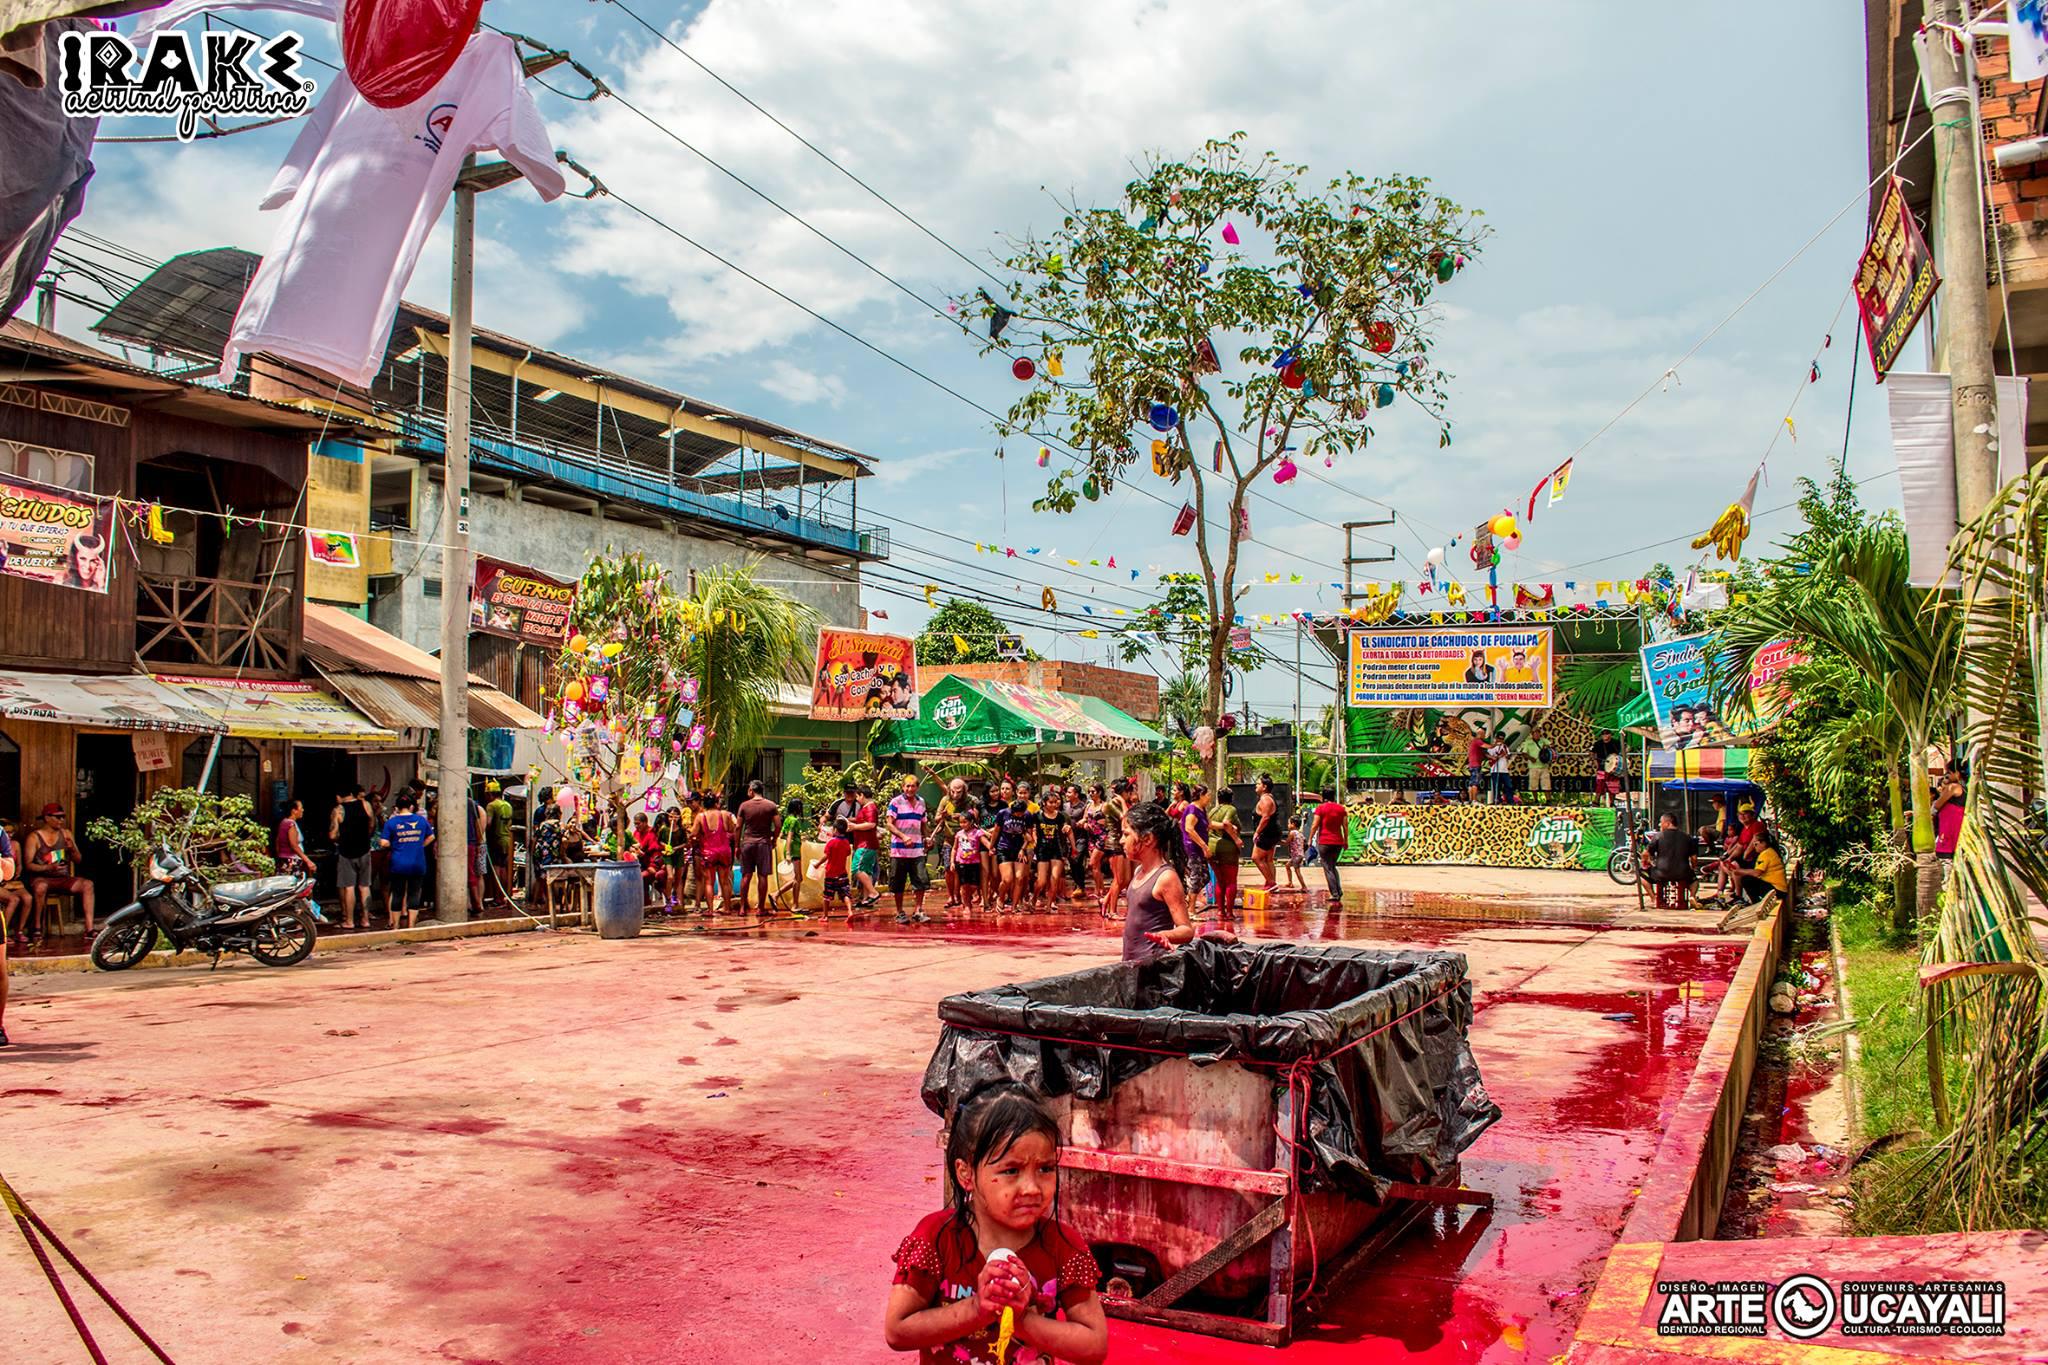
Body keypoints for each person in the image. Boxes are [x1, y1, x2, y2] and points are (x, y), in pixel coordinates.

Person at [883, 1084, 1109, 1365]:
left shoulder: (1063, 1246)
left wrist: (1021, 1318)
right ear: (966, 1173)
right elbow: (897, 1330)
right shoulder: (936, 1238)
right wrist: (978, 1308)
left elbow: (1094, 1346)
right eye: (1011, 1170)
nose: (1031, 1188)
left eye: (1045, 1169)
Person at [1122, 800, 1194, 962]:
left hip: (1153, 966)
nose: (1121, 841)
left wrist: (1165, 935)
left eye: (1126, 834)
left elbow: (1186, 930)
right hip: (1131, 964)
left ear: (1147, 839)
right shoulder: (1138, 871)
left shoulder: (1166, 878)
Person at [23, 803, 92, 936]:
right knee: (40, 887)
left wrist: (72, 849)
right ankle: (36, 927)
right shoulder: (34, 837)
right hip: (42, 878)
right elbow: (28, 865)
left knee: (88, 885)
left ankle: (89, 929)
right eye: (58, 817)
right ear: (47, 818)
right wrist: (48, 867)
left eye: (63, 817)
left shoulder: (66, 834)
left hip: (63, 878)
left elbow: (78, 860)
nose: (61, 820)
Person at [376, 792, 435, 929]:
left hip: (398, 863)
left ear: (396, 807)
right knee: (414, 894)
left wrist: (396, 844)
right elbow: (431, 837)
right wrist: (420, 845)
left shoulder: (392, 822)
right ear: (411, 806)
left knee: (397, 893)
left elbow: (383, 843)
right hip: (417, 862)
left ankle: (396, 925)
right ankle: (411, 925)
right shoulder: (420, 821)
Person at [885, 773, 931, 924]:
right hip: (899, 851)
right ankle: (899, 912)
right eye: (907, 786)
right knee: (898, 882)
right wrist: (903, 837)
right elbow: (889, 824)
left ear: (917, 787)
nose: (910, 789)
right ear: (903, 787)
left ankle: (918, 910)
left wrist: (927, 838)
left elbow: (923, 823)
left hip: (917, 850)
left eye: (913, 786)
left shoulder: (921, 802)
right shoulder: (895, 802)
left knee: (921, 880)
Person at [330, 783, 376, 930]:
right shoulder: (365, 804)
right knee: (365, 886)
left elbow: (332, 834)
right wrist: (364, 837)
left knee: (349, 887)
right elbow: (372, 824)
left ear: (338, 797)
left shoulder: (338, 810)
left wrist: (338, 838)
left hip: (346, 851)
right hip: (364, 849)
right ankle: (365, 919)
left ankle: (349, 921)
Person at [736, 779, 781, 916]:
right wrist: (774, 838)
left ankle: (742, 908)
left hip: (748, 843)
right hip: (763, 843)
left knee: (746, 876)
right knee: (763, 876)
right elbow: (778, 825)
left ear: (751, 790)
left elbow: (738, 827)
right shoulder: (771, 805)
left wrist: (737, 846)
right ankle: (760, 908)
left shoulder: (744, 806)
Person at [1642, 814, 1696, 910]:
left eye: (1661, 822)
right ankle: (1692, 896)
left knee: (1641, 875)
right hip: (1683, 873)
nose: (1659, 825)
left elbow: (1645, 854)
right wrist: (1693, 868)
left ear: (1667, 823)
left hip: (1661, 873)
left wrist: (1649, 862)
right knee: (1695, 881)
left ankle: (1654, 899)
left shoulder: (1658, 836)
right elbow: (1694, 858)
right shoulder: (1687, 837)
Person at [1097, 778, 1132, 920]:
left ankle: (1105, 899)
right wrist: (1124, 802)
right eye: (1129, 792)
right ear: (1123, 793)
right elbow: (1125, 818)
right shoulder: (1112, 804)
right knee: (1118, 879)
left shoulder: (1121, 803)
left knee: (1127, 879)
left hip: (1122, 843)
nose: (1131, 794)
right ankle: (1112, 911)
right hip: (1114, 843)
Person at [695, 794, 736, 915]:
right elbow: (731, 829)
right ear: (716, 802)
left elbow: (693, 833)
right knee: (724, 881)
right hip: (724, 851)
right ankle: (727, 908)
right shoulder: (725, 814)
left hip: (708, 852)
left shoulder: (700, 816)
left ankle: (710, 910)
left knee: (709, 882)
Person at [933, 778, 968, 909]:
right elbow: (937, 819)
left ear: (964, 791)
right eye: (952, 791)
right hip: (949, 839)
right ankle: (951, 896)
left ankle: (958, 895)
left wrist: (961, 816)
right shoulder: (945, 800)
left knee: (959, 870)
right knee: (948, 868)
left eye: (958, 792)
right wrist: (942, 816)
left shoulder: (971, 801)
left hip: (965, 841)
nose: (955, 795)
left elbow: (975, 817)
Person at [1032, 789, 1069, 911]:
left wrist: (1066, 829)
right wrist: (1034, 841)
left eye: (1055, 802)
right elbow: (1032, 830)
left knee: (1054, 878)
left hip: (1056, 849)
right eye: (1051, 802)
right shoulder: (1037, 816)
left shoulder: (1060, 816)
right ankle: (1034, 898)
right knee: (1041, 881)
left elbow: (1066, 828)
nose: (1054, 805)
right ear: (1044, 803)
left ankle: (1049, 904)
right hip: (1042, 849)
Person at [847, 784, 882, 909]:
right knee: (866, 870)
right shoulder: (867, 808)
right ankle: (866, 898)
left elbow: (871, 824)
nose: (857, 799)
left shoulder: (870, 808)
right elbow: (863, 820)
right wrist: (852, 820)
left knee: (856, 869)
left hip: (865, 844)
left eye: (857, 796)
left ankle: (873, 892)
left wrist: (854, 827)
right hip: (866, 843)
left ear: (862, 795)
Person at [1179, 784, 1212, 915]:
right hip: (1193, 848)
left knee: (1205, 876)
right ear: (1201, 795)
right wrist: (1204, 846)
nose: (1209, 798)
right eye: (1208, 795)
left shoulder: (1202, 809)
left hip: (1199, 848)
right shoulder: (1192, 809)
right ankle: (1191, 910)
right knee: (1196, 876)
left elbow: (1209, 825)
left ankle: (1188, 900)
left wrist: (1227, 826)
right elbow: (1188, 828)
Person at [1311, 789, 1350, 901]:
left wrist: (1310, 839)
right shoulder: (1341, 809)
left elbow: (1314, 825)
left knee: (1328, 868)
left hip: (1325, 841)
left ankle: (1335, 893)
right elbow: (1345, 827)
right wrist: (1345, 841)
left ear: (1324, 797)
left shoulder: (1321, 809)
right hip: (1338, 842)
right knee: (1332, 866)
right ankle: (1339, 890)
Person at [993, 798, 1031, 912]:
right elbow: (996, 831)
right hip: (1004, 847)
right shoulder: (1003, 813)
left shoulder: (1027, 815)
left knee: (1019, 878)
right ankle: (1000, 898)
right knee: (1007, 879)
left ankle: (1014, 906)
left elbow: (1029, 837)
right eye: (1016, 813)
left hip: (1019, 849)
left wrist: (1023, 849)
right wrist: (991, 846)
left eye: (1021, 813)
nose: (1019, 815)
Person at [1735, 828, 1791, 904]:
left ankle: (1756, 903)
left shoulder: (1766, 854)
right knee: (1749, 879)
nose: (1754, 847)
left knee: (1746, 880)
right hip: (1779, 889)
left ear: (1763, 843)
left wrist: (1740, 871)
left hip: (1777, 890)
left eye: (1756, 844)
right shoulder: (1769, 852)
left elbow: (1757, 873)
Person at [1209, 795, 1242, 920]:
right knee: (1231, 881)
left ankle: (1220, 911)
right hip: (1227, 848)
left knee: (1220, 881)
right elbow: (1226, 823)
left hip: (1212, 847)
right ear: (1231, 798)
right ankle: (1229, 913)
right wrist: (1236, 839)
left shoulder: (1212, 811)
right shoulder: (1231, 809)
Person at [814, 818, 853, 917]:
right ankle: (849, 911)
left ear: (835, 830)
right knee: (845, 894)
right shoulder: (846, 842)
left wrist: (818, 864)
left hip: (831, 874)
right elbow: (848, 853)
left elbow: (826, 856)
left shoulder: (831, 842)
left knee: (827, 896)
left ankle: (825, 916)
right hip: (842, 873)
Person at [485, 780, 515, 902]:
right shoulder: (508, 805)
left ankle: (497, 897)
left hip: (496, 841)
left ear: (490, 794)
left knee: (497, 869)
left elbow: (488, 823)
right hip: (508, 839)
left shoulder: (491, 806)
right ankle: (505, 896)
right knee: (505, 869)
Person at [1251, 774, 1281, 889]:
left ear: (1264, 787)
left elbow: (1266, 818)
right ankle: (1270, 882)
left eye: (1258, 784)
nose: (1256, 786)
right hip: (1271, 832)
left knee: (1256, 858)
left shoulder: (1265, 800)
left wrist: (1257, 832)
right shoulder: (1268, 798)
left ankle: (1271, 882)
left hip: (1267, 833)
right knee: (1268, 859)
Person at [951, 808, 985, 911]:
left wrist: (992, 848)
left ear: (971, 822)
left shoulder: (977, 833)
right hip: (962, 862)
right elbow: (954, 848)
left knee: (974, 885)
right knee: (964, 885)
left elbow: (985, 842)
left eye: (965, 822)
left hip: (974, 862)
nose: (962, 825)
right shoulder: (959, 834)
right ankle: (966, 905)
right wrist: (952, 862)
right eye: (961, 822)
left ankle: (967, 897)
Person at [780, 796, 808, 913]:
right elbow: (790, 835)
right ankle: (795, 905)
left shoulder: (787, 819)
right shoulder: (794, 821)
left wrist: (801, 837)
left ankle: (776, 894)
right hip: (794, 851)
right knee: (797, 878)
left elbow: (782, 835)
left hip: (790, 848)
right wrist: (788, 853)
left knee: (798, 878)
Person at [274, 799, 316, 877]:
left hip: (284, 860)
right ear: (294, 811)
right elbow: (294, 845)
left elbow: (277, 841)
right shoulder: (290, 824)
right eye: (301, 808)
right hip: (291, 861)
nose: (303, 810)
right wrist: (308, 860)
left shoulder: (284, 822)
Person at [1934, 770, 1965, 866]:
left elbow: (1937, 805)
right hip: (1955, 835)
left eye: (1949, 773)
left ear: (1957, 773)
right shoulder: (1963, 788)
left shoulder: (1954, 787)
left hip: (1949, 836)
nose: (1946, 776)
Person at [1592, 730, 1624, 807]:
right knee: (1600, 785)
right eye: (1603, 734)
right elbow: (1592, 753)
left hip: (1613, 768)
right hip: (1602, 766)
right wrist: (1595, 762)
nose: (1605, 736)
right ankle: (1596, 802)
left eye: (1607, 734)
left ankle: (1612, 803)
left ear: (1610, 735)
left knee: (1613, 785)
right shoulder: (1598, 744)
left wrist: (1616, 755)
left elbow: (1624, 750)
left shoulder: (1615, 743)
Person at [1488, 737, 1513, 805]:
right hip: (1495, 770)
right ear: (1496, 739)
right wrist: (1494, 757)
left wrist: (1505, 754)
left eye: (1502, 739)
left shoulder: (1505, 747)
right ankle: (1497, 800)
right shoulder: (1492, 747)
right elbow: (1487, 755)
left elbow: (1509, 756)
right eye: (1499, 738)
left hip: (1504, 770)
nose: (1500, 740)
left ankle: (1510, 801)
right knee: (1496, 786)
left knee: (1508, 785)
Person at [1465, 731, 1487, 803]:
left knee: (1471, 783)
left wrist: (1492, 757)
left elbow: (1484, 753)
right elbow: (1487, 746)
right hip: (1475, 765)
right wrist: (1495, 745)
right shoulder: (1477, 741)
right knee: (1475, 783)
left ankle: (1470, 800)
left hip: (1471, 764)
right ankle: (1474, 800)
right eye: (1484, 734)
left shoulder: (1473, 743)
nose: (1484, 735)